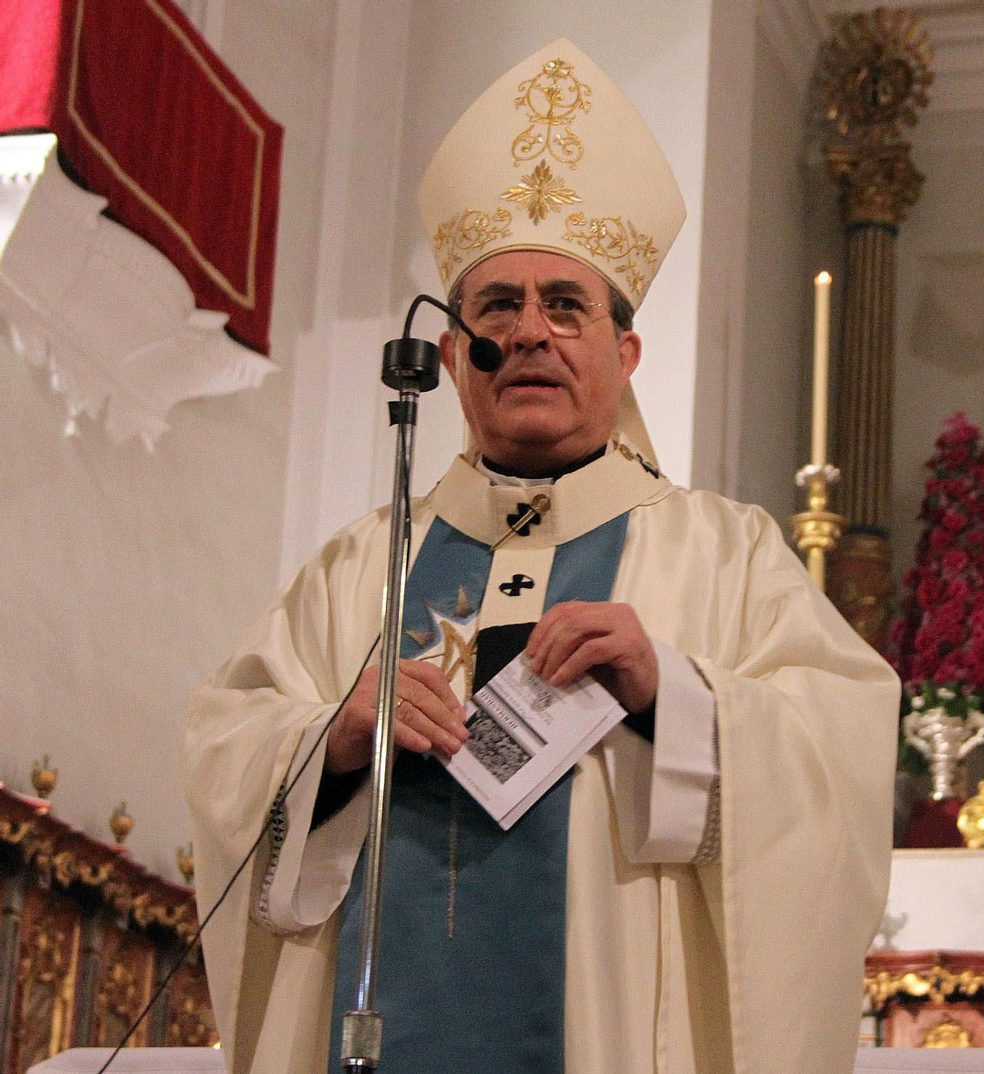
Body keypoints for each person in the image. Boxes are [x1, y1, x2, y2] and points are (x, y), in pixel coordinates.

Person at [184, 39, 898, 1074]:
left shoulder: (723, 554)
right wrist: (332, 739)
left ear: (624, 352)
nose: (530, 333)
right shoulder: (362, 565)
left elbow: (840, 749)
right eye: (497, 307)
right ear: (449, 356)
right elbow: (226, 742)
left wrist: (676, 697)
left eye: (566, 305)